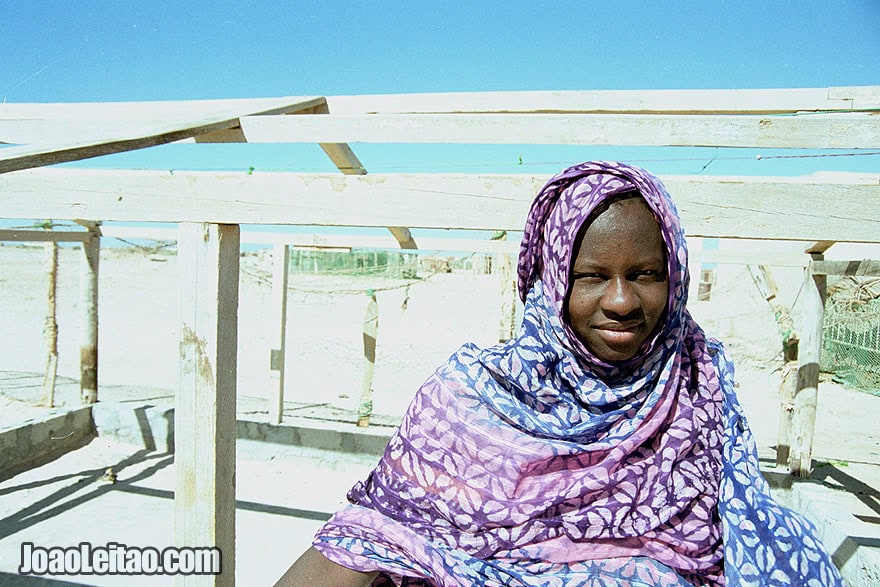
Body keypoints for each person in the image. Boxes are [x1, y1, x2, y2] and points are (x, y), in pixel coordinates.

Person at [276, 161, 842, 586]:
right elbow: (376, 528)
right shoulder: (474, 396)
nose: (621, 300)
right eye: (591, 275)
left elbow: (734, 522)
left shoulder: (698, 386)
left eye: (645, 273)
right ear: (551, 283)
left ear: (676, 277)